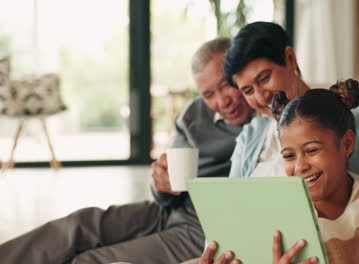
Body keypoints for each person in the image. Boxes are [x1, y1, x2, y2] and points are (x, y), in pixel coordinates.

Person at [193, 21, 359, 264]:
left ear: (290, 58)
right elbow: (226, 211)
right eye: (248, 91)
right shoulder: (253, 133)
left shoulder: (356, 124)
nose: (261, 97)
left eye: (264, 78)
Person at [0, 37, 253, 264]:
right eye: (208, 94)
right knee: (79, 224)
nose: (221, 101)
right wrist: (161, 184)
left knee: (88, 260)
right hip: (170, 209)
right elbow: (164, 190)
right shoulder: (194, 114)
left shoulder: (264, 123)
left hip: (205, 226)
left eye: (226, 85)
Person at [200, 82, 359, 264]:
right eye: (289, 156)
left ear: (346, 144)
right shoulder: (275, 216)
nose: (300, 166)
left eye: (312, 150)